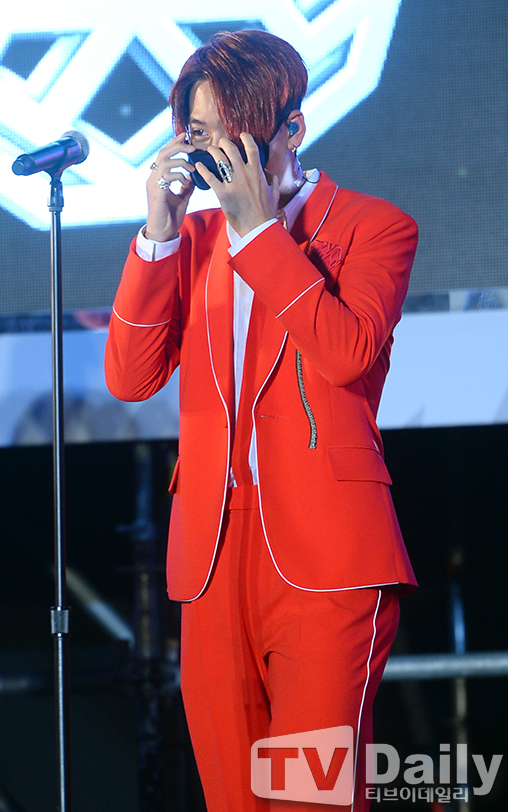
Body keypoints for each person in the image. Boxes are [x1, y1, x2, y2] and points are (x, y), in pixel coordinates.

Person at [105, 29, 418, 812]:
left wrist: (259, 232)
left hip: (328, 553)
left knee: (312, 796)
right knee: (234, 797)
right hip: (212, 552)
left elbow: (344, 353)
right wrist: (158, 233)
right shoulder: (191, 240)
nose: (215, 157)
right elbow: (130, 378)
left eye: (233, 135)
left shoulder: (372, 226)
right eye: (198, 134)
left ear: (291, 130)